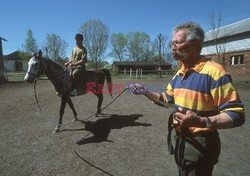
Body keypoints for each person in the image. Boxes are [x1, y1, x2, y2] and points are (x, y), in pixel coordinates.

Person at [128, 22, 245, 176]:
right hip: (181, 139)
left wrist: (201, 122)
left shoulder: (215, 73)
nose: (173, 47)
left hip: (201, 142)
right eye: (172, 43)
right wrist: (145, 91)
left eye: (177, 42)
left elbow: (236, 115)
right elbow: (167, 99)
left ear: (194, 44)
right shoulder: (179, 74)